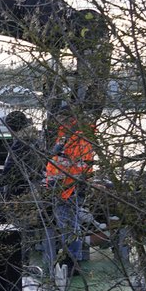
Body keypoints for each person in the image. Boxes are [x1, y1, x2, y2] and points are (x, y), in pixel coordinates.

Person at [44, 111, 95, 276]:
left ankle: (71, 262)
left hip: (67, 190)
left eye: (60, 118)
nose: (57, 121)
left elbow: (75, 166)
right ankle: (71, 259)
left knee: (69, 227)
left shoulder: (75, 140)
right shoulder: (70, 137)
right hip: (64, 189)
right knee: (69, 226)